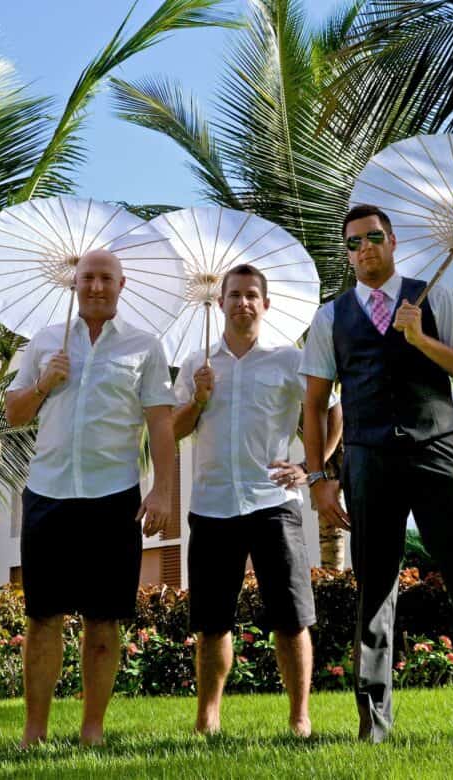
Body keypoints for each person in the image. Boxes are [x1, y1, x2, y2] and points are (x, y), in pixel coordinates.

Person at [300, 204, 453, 743]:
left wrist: (423, 341)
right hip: (368, 458)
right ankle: (375, 726)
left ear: (393, 242)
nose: (364, 248)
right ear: (347, 253)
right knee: (375, 590)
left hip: (438, 453)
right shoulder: (329, 317)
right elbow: (315, 404)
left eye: (374, 237)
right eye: (354, 242)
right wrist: (320, 477)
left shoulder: (435, 299)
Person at [4, 248, 177, 747]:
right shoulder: (44, 341)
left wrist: (162, 490)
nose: (96, 286)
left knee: (103, 621)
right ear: (73, 284)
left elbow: (160, 424)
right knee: (42, 618)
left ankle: (92, 730)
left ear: (122, 285)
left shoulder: (146, 346)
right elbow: (14, 413)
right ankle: (34, 732)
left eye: (106, 278)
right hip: (48, 493)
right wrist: (43, 382)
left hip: (113, 497)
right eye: (88, 278)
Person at [172, 264, 342, 737]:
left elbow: (331, 413)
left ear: (265, 304)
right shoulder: (196, 364)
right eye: (234, 295)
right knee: (212, 623)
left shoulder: (291, 359)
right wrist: (198, 400)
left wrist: (312, 470)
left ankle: (299, 717)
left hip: (274, 501)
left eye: (251, 295)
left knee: (291, 618)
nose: (242, 303)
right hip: (212, 504)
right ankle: (208, 717)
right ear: (220, 302)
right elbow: (172, 429)